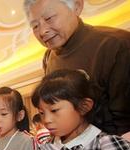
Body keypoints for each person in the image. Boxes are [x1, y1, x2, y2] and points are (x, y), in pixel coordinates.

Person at [23, 0, 130, 139]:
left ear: (77, 6)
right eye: (35, 26)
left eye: (49, 18)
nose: (42, 31)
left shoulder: (116, 45)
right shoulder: (49, 58)